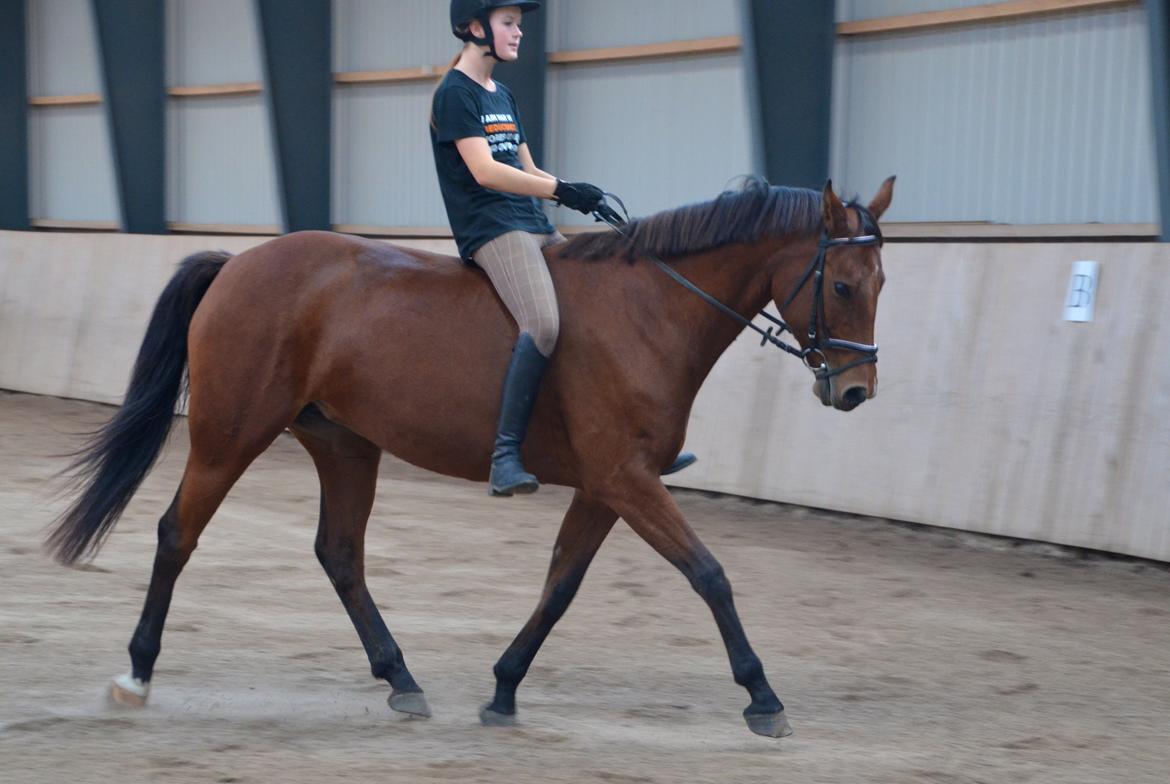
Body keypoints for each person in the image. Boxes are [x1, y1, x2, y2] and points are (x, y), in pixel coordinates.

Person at [432, 0, 695, 496]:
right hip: (492, 229)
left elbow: (529, 170)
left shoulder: (501, 94)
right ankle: (505, 454)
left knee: (600, 305)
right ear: (473, 27)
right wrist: (558, 192)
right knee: (545, 323)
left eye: (519, 25)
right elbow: (485, 171)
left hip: (531, 221)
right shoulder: (455, 95)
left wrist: (576, 190)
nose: (518, 34)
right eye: (508, 23)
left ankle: (637, 438)